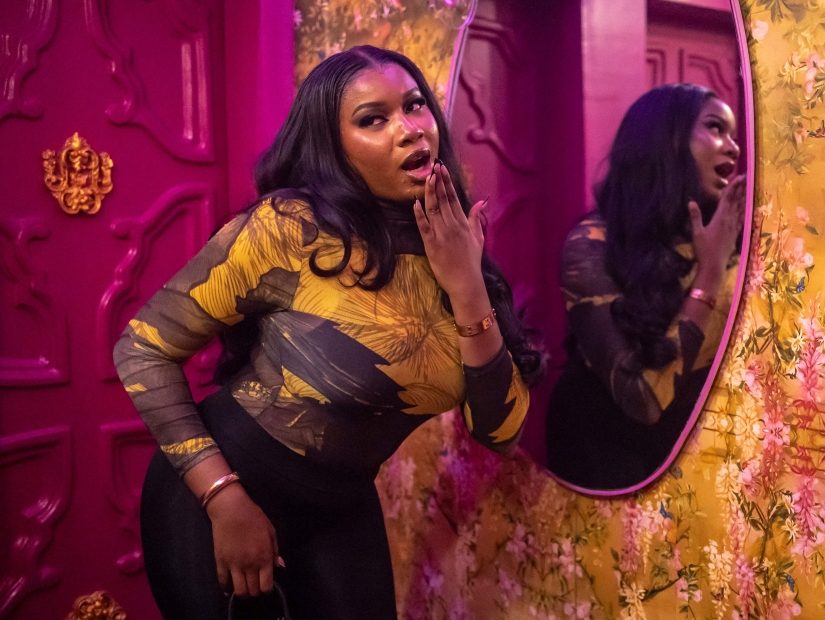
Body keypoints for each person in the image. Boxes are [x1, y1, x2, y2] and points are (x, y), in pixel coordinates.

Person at [114, 45, 542, 620]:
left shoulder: (456, 245)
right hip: (220, 495)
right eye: (374, 119)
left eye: (415, 105)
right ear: (333, 146)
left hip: (342, 504)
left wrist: (467, 287)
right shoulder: (289, 228)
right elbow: (141, 349)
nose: (409, 129)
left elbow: (501, 431)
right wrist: (222, 498)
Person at [545, 83, 746, 491]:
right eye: (715, 128)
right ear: (666, 140)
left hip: (690, 461)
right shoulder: (591, 244)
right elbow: (644, 399)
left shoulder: (727, 240)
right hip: (604, 457)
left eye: (733, 134)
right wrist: (710, 273)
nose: (734, 147)